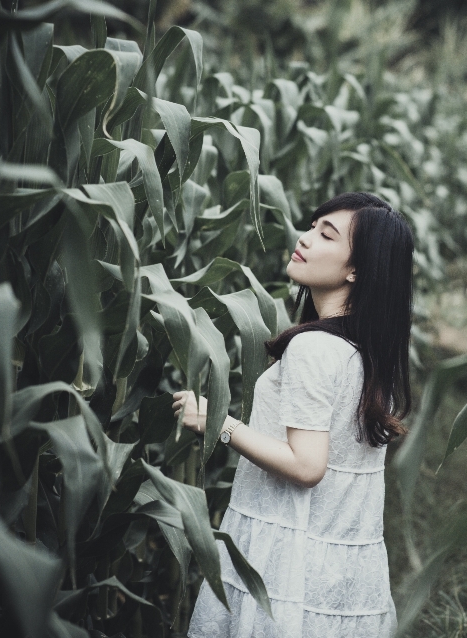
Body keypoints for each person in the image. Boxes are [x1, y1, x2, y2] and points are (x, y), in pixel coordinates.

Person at [173, 192, 414, 638]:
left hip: (286, 557)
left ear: (355, 269)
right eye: (312, 226)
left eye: (326, 235)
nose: (304, 239)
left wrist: (219, 424)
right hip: (333, 565)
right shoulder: (366, 352)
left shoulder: (313, 348)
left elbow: (306, 465)